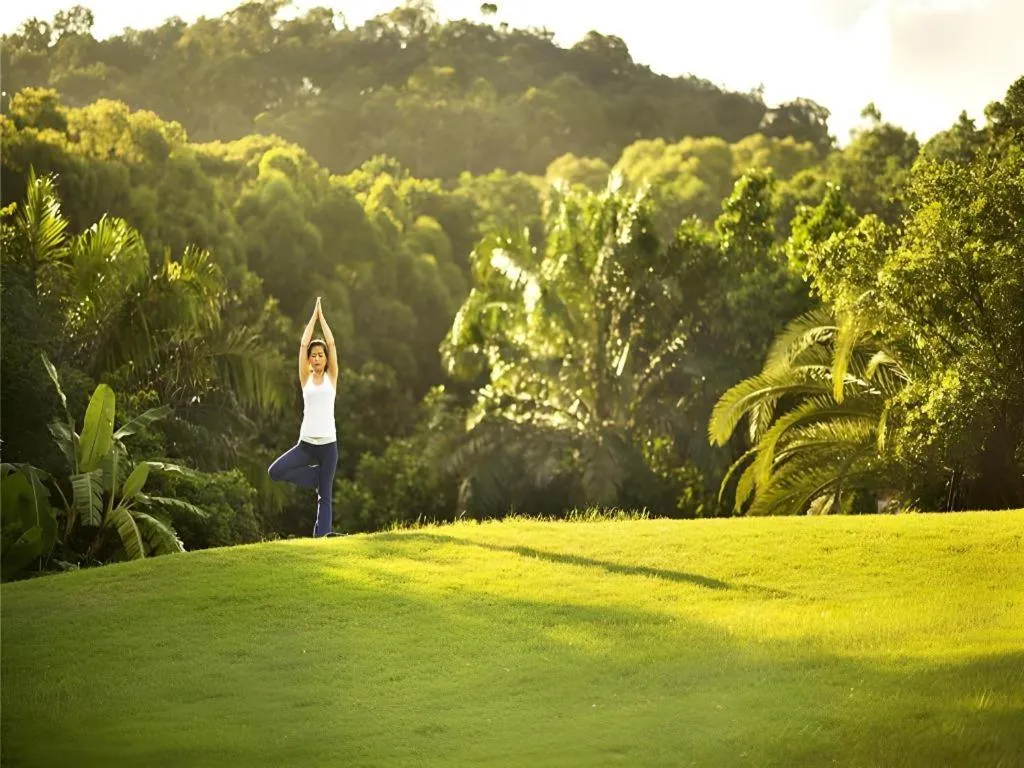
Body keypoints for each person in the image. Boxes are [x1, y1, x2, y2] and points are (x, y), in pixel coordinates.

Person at [268, 297, 340, 537]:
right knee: (275, 472)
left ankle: (322, 537)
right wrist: (313, 317)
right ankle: (316, 478)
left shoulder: (331, 378)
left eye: (321, 354)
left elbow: (331, 341)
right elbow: (302, 344)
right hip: (307, 445)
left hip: (328, 447)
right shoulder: (305, 379)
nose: (317, 357)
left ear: (326, 358)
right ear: (310, 360)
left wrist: (323, 318)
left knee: (325, 498)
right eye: (314, 355)